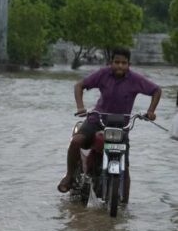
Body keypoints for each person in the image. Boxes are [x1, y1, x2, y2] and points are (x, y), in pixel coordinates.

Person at [57, 47, 161, 204]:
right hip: (96, 120)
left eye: (124, 63)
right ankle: (69, 176)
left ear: (129, 64)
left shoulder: (135, 79)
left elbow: (156, 90)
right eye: (117, 62)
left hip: (120, 126)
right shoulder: (102, 74)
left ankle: (124, 204)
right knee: (76, 141)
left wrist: (151, 111)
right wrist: (80, 107)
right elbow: (79, 85)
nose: (120, 66)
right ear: (110, 63)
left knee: (124, 166)